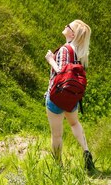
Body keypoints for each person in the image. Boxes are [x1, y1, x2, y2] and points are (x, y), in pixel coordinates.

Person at [44, 19, 96, 173]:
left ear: (72, 33)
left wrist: (50, 59)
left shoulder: (65, 49)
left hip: (56, 98)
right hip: (72, 97)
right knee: (74, 124)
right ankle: (86, 151)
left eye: (68, 26)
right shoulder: (80, 52)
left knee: (57, 135)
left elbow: (60, 71)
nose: (65, 26)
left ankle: (58, 167)